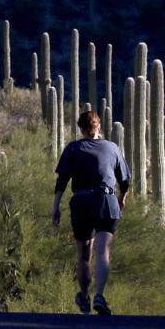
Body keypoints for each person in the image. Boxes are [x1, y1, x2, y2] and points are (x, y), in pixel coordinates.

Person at [51, 110, 130, 315]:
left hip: (82, 202)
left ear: (81, 129)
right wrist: (122, 198)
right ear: (98, 127)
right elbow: (125, 181)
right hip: (107, 201)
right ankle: (99, 296)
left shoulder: (73, 148)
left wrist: (56, 206)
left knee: (84, 255)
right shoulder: (112, 147)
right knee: (103, 251)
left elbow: (62, 180)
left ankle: (84, 296)